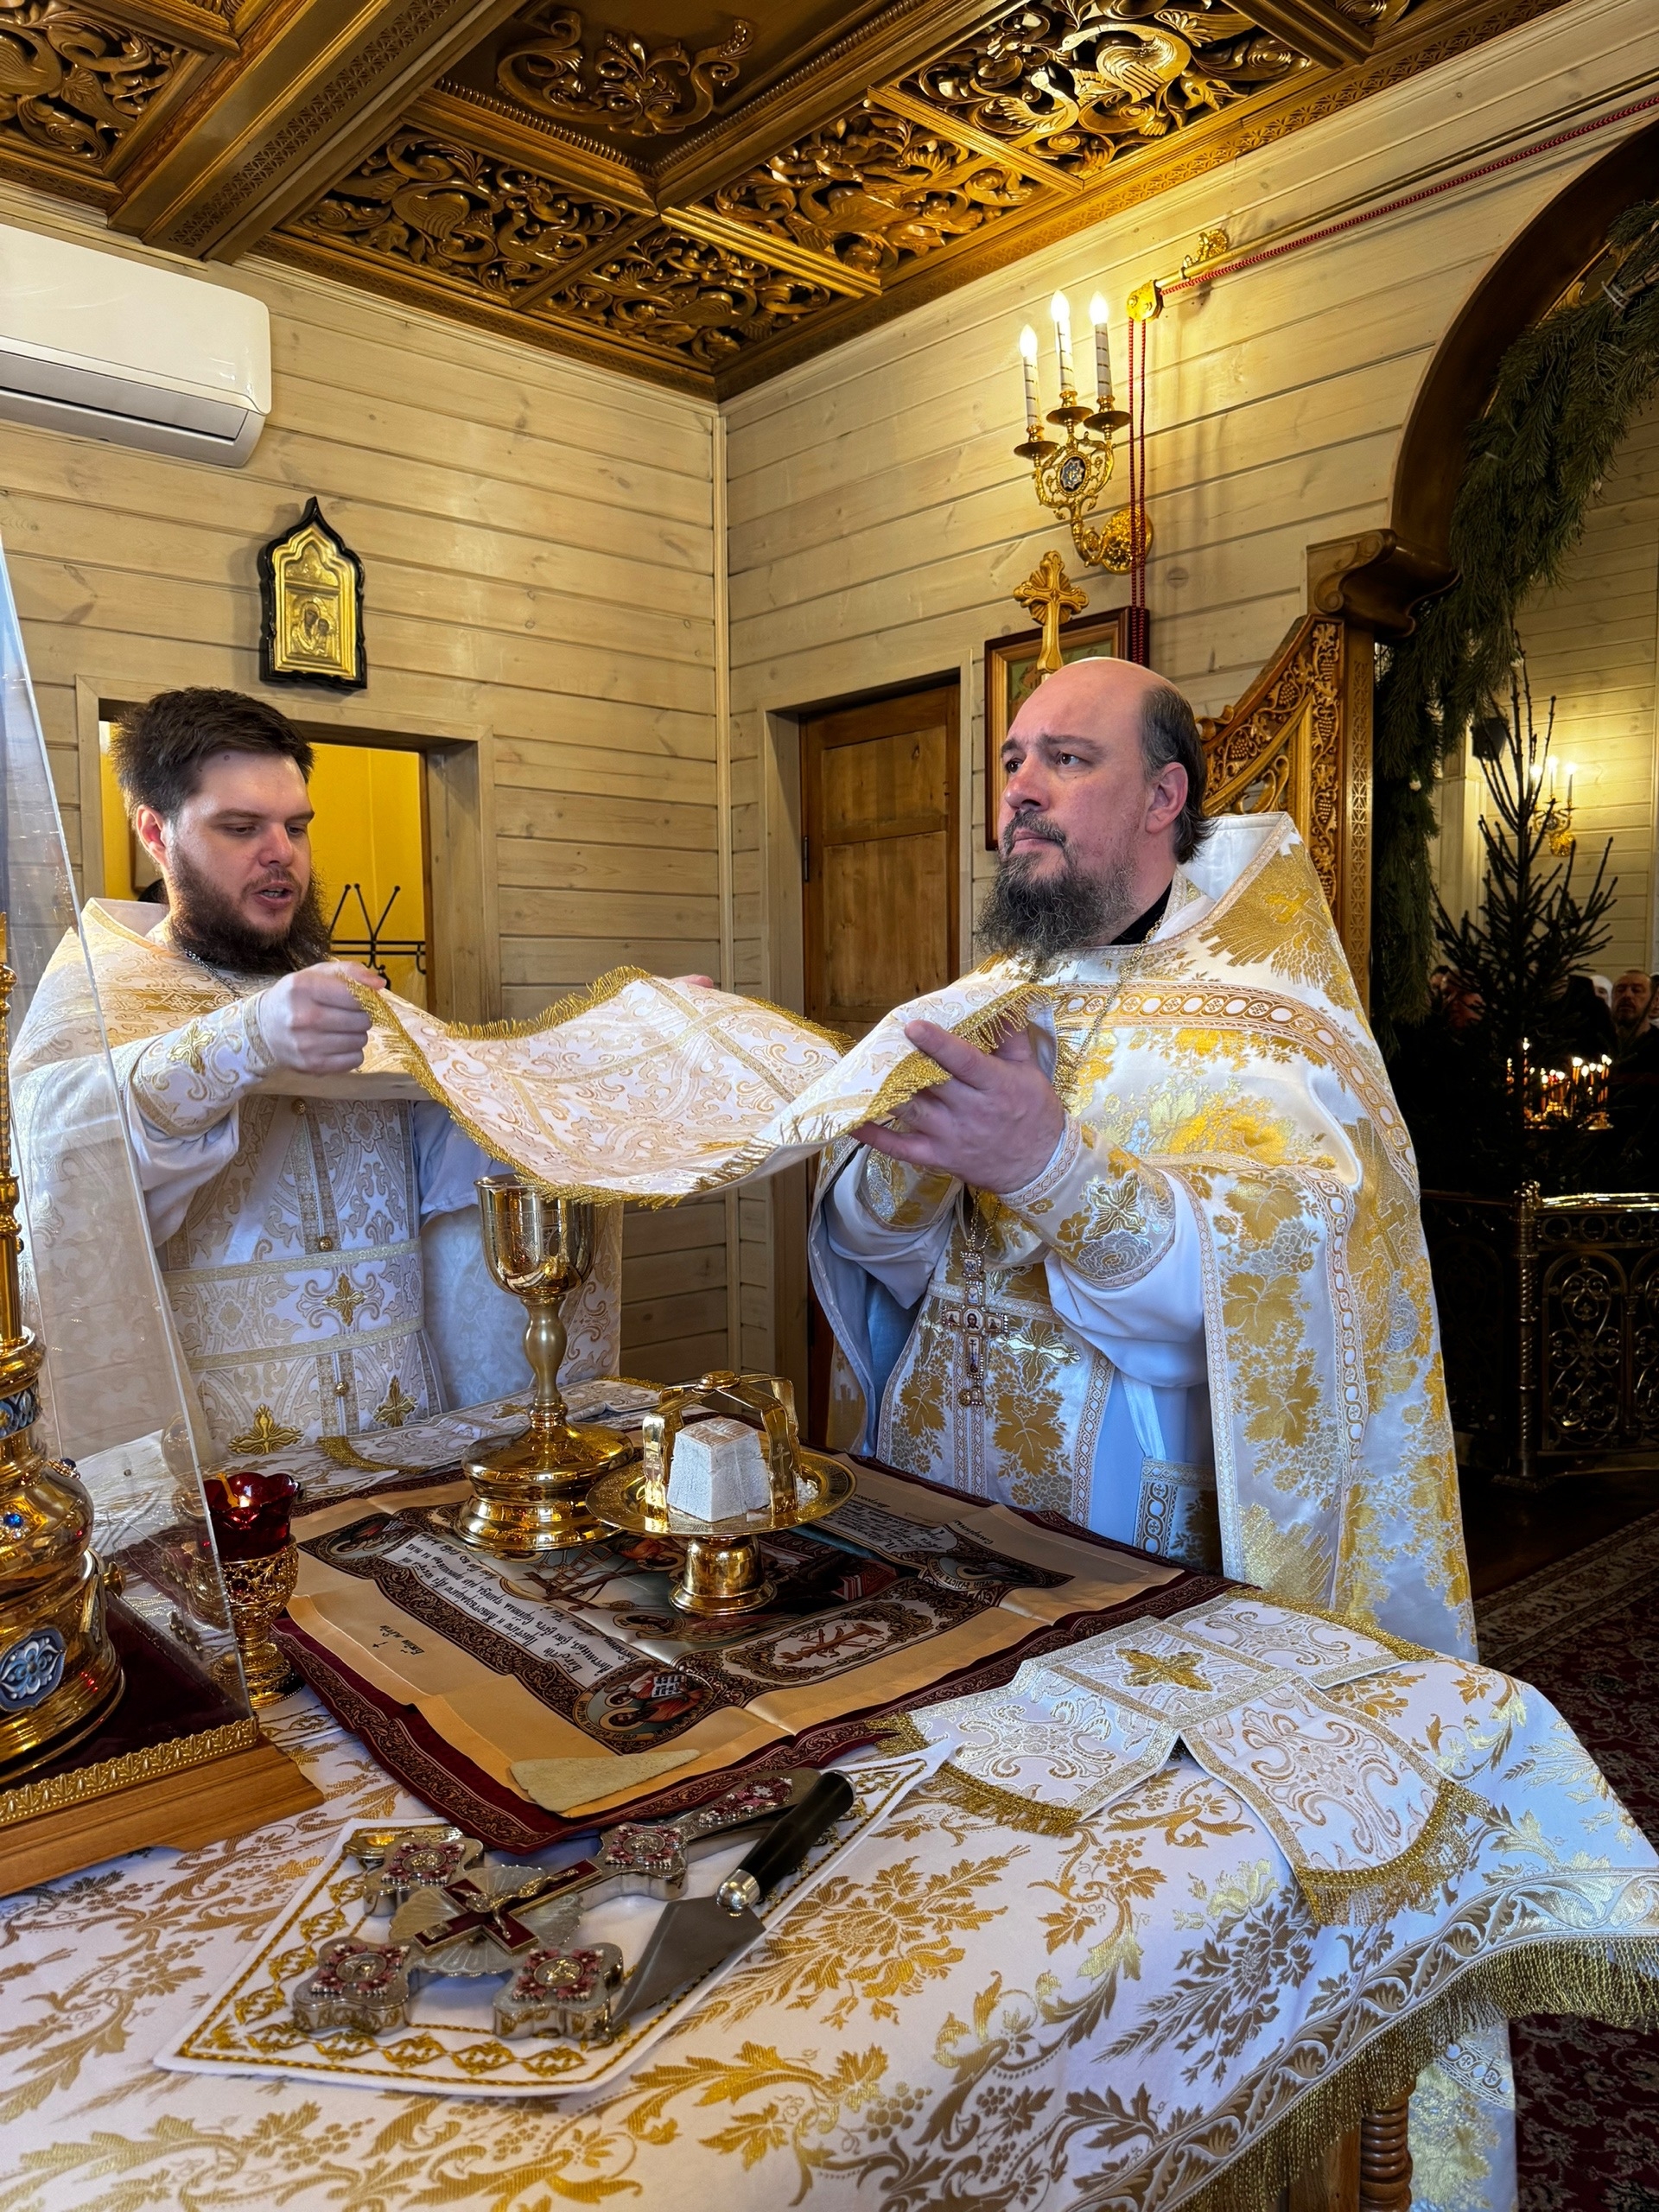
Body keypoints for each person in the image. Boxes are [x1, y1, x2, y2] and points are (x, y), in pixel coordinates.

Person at [811, 656, 1471, 1657]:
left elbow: (1290, 1280)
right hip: (933, 1500)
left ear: (1165, 796)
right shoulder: (987, 996)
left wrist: (1049, 1170)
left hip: (1129, 1538)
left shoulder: (1268, 1018)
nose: (1021, 790)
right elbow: (879, 1257)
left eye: (1068, 759)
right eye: (1013, 761)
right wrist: (918, 1153)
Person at [14, 688, 620, 1457]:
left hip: (404, 1434)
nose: (282, 853)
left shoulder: (347, 997)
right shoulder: (100, 997)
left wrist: (600, 1059)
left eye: (296, 826)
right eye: (241, 828)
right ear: (156, 833)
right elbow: (59, 1159)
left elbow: (454, 1164)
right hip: (228, 1466)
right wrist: (246, 1041)